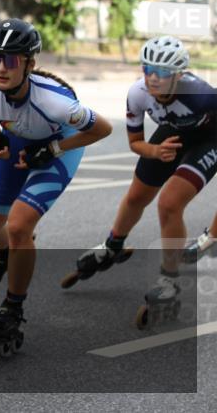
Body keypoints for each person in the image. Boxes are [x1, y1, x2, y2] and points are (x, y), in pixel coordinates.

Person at [0, 19, 112, 352]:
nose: (1, 68)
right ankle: (6, 252)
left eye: (12, 59)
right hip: (18, 140)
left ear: (30, 63)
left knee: (18, 226)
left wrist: (53, 150)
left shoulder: (55, 102)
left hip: (59, 148)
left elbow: (102, 129)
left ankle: (13, 307)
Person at [71, 37, 217, 299]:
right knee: (137, 196)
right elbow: (135, 142)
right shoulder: (137, 94)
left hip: (211, 138)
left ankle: (170, 279)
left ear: (179, 75)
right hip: (175, 131)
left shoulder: (202, 96)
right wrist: (155, 151)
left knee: (169, 204)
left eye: (162, 72)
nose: (153, 78)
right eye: (147, 69)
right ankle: (113, 244)